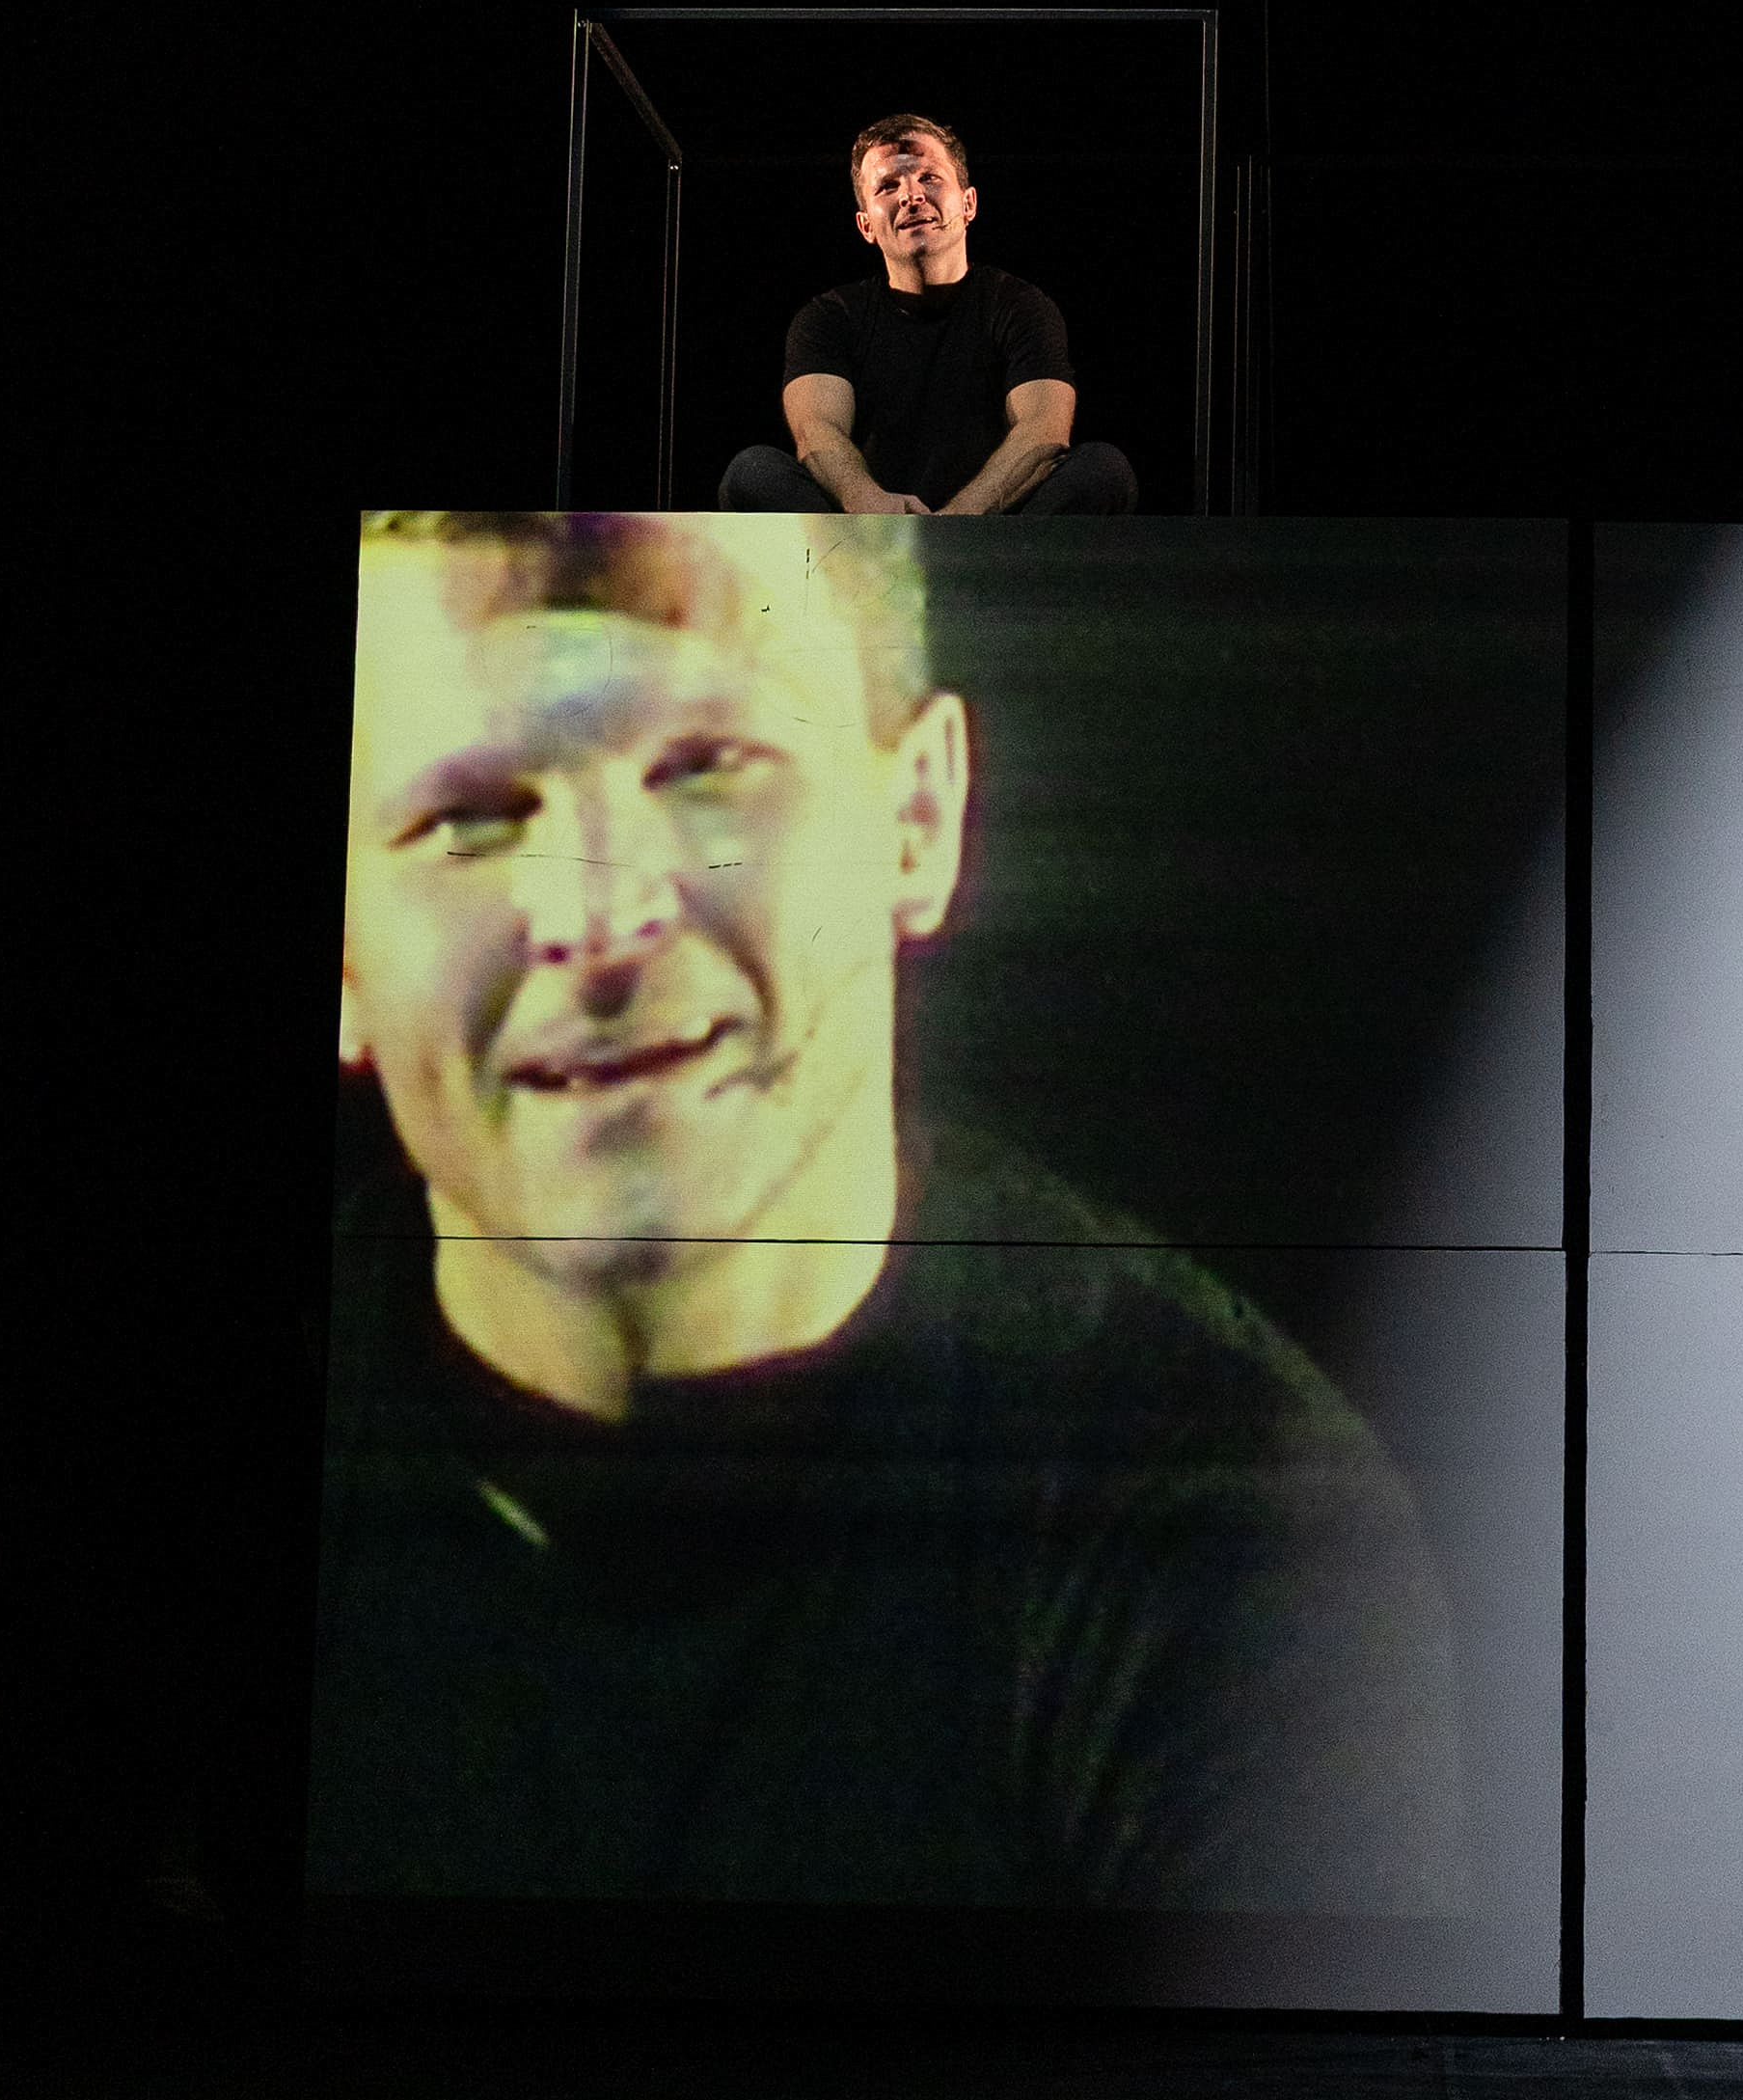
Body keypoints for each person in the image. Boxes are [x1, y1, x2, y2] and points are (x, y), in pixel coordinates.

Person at [313, 506, 1461, 1906]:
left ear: (916, 821)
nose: (601, 923)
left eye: (705, 766)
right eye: (470, 816)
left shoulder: (1228, 1530)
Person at [719, 111, 1137, 517]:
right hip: (868, 536)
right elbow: (818, 431)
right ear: (866, 226)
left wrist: (961, 519)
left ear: (969, 203)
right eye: (888, 186)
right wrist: (868, 504)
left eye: (929, 177)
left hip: (989, 534)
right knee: (752, 472)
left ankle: (990, 567)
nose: (911, 195)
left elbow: (1044, 431)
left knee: (1103, 469)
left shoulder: (1020, 305)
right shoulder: (829, 317)